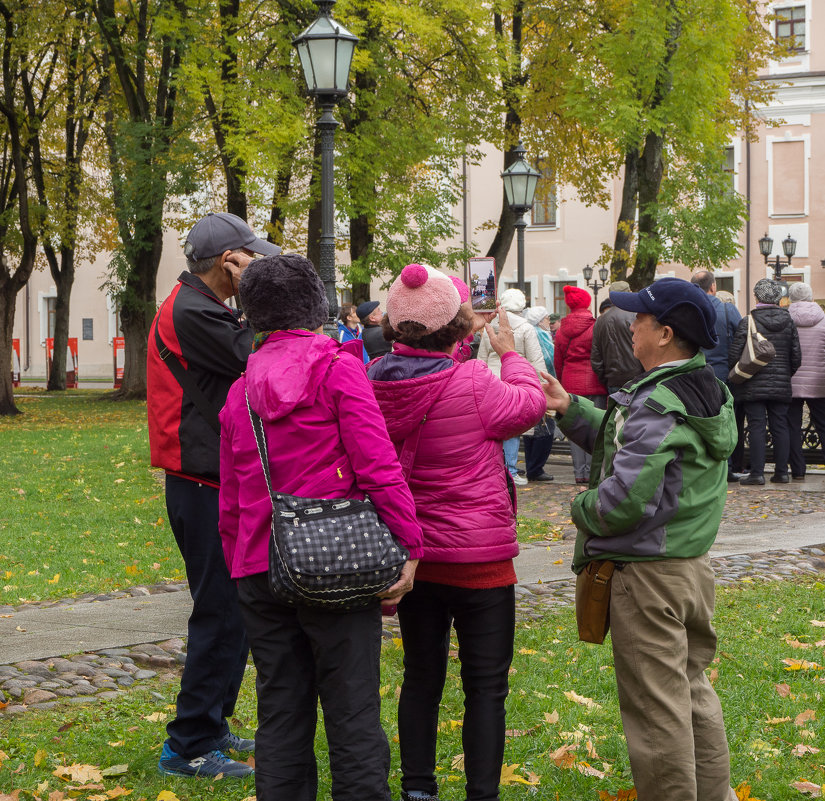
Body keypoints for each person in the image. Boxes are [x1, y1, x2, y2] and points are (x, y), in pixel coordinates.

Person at [218, 254, 423, 801]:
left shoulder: (240, 391)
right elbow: (377, 465)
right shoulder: (337, 369)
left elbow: (232, 500)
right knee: (352, 709)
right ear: (314, 306)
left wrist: (241, 566)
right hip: (336, 560)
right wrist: (409, 542)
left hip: (260, 565)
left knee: (280, 711)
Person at [542, 277, 739, 801]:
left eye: (641, 320)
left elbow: (622, 502)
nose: (631, 326)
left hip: (648, 576)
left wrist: (578, 506)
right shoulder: (705, 387)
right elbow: (631, 440)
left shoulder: (657, 401)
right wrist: (571, 408)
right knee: (692, 694)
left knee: (657, 714)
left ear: (666, 333)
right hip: (689, 569)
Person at [366, 264, 546, 801]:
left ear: (397, 325)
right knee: (486, 687)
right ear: (459, 325)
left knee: (421, 677)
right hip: (480, 559)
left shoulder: (370, 381)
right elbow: (530, 406)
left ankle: (418, 789)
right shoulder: (471, 381)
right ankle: (481, 793)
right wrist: (512, 355)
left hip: (412, 557)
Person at [147, 211, 282, 778]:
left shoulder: (203, 307)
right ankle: (189, 746)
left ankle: (213, 725)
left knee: (235, 611)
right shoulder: (194, 310)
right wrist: (261, 293)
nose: (257, 265)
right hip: (201, 482)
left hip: (211, 479)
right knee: (221, 613)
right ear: (228, 262)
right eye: (249, 257)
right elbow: (258, 357)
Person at [728, 278, 801, 485]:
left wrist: (740, 372)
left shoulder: (748, 321)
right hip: (781, 384)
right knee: (780, 426)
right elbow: (796, 356)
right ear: (778, 297)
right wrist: (785, 374)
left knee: (756, 426)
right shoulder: (789, 321)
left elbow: (735, 354)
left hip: (752, 383)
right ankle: (781, 473)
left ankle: (757, 474)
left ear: (756, 297)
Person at [477, 287, 544, 486]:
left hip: (492, 377)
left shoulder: (490, 326)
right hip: (515, 375)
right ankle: (511, 469)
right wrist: (541, 383)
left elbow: (482, 356)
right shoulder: (525, 328)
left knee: (493, 424)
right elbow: (535, 358)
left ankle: (495, 468)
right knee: (513, 426)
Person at [690, 271, 745, 482]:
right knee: (724, 420)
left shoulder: (687, 309)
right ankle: (727, 466)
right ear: (713, 287)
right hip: (723, 375)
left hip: (693, 374)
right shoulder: (727, 308)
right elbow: (741, 339)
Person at [554, 285, 607, 484]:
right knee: (596, 428)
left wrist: (561, 380)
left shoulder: (561, 331)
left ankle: (579, 473)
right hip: (594, 382)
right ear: (587, 303)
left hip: (570, 381)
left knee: (575, 427)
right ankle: (594, 473)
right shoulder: (595, 326)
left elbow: (558, 361)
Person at [786, 282, 825, 479]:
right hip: (819, 381)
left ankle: (798, 470)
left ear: (791, 298)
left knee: (792, 426)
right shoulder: (823, 320)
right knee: (823, 425)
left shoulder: (785, 319)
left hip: (790, 380)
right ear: (810, 297)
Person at [521, 305, 556, 482]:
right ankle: (535, 468)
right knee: (545, 427)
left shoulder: (529, 330)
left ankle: (532, 466)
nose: (549, 322)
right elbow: (549, 359)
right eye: (547, 318)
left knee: (532, 429)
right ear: (540, 320)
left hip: (528, 382)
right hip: (541, 382)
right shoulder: (540, 334)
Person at [590, 280, 643, 394]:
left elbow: (596, 357)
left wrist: (606, 379)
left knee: (617, 412)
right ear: (628, 293)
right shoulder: (636, 315)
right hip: (637, 379)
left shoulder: (600, 320)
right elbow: (647, 347)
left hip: (613, 380)